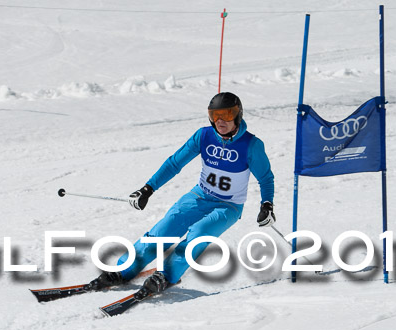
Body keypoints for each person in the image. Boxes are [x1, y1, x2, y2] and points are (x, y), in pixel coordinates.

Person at [87, 92, 275, 298]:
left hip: (228, 206)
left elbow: (265, 178)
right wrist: (148, 189)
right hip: (199, 196)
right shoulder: (204, 136)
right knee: (163, 230)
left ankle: (166, 275)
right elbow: (175, 163)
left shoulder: (251, 145)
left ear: (238, 115)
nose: (220, 121)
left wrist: (267, 205)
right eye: (215, 115)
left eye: (227, 115)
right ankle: (124, 270)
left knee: (199, 232)